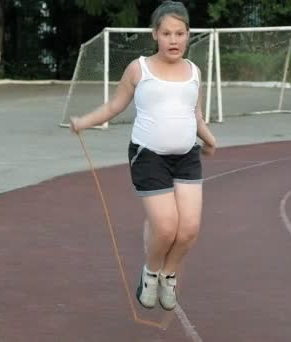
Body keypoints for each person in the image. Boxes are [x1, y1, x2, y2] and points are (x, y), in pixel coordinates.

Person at [70, 1, 216, 311]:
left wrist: (209, 139)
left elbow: (196, 114)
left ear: (189, 35)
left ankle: (169, 274)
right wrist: (84, 121)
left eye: (179, 33)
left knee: (188, 229)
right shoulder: (139, 69)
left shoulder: (194, 72)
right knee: (165, 227)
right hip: (148, 156)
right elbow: (114, 107)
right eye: (166, 33)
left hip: (187, 156)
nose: (173, 40)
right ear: (155, 35)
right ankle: (150, 274)